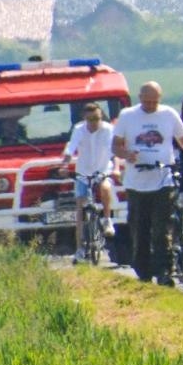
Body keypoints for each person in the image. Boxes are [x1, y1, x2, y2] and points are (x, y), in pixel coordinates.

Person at [113, 82, 183, 286]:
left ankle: (165, 272)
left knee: (163, 228)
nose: (151, 105)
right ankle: (143, 272)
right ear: (140, 98)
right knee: (140, 229)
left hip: (163, 178)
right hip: (136, 182)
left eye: (154, 102)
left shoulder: (168, 114)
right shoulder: (128, 116)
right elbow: (116, 145)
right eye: (147, 102)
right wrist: (126, 154)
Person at [62, 101, 118, 258]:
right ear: (85, 118)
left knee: (105, 187)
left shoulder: (108, 129)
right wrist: (64, 165)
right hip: (84, 172)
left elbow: (113, 151)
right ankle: (79, 249)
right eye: (91, 119)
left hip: (102, 170)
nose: (95, 122)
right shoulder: (79, 129)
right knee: (80, 208)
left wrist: (116, 169)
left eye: (97, 118)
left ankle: (107, 220)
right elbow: (70, 149)